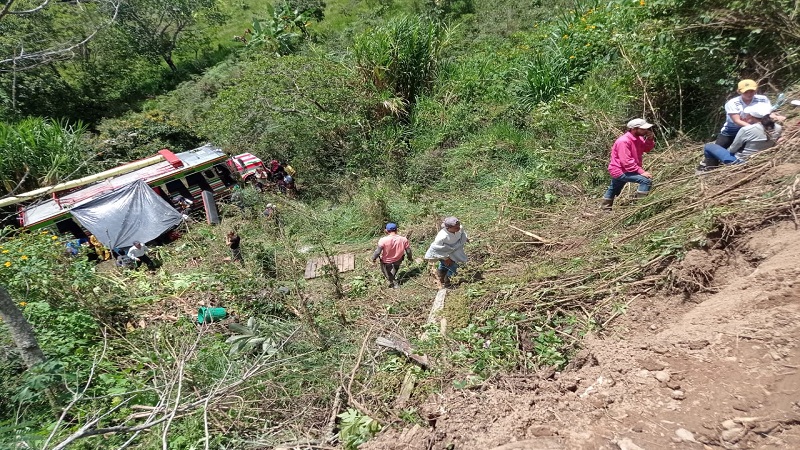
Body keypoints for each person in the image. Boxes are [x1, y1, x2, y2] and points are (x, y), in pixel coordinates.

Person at [700, 103, 783, 169]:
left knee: (709, 146)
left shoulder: (747, 129)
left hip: (740, 161)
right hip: (760, 159)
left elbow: (732, 150)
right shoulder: (778, 128)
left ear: (752, 115)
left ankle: (711, 169)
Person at [601, 118, 656, 210]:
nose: (646, 131)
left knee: (614, 187)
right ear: (634, 129)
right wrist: (641, 172)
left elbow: (646, 149)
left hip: (625, 169)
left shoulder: (638, 139)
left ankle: (605, 208)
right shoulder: (623, 141)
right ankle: (641, 207)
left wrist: (650, 139)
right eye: (643, 129)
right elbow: (626, 161)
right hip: (620, 170)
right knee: (646, 181)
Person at [714, 79, 772, 150]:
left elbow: (767, 113)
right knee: (716, 151)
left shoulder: (763, 99)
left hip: (755, 130)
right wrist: (755, 129)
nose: (749, 94)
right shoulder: (732, 103)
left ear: (756, 90)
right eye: (746, 92)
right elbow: (737, 121)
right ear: (739, 91)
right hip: (731, 131)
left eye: (751, 91)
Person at [424, 217, 469, 289]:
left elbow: (462, 234)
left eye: (458, 225)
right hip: (443, 252)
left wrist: (465, 239)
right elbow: (436, 249)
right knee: (453, 265)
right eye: (455, 227)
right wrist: (446, 258)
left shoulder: (459, 228)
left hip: (455, 249)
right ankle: (448, 282)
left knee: (444, 265)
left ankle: (440, 277)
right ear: (448, 228)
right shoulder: (442, 236)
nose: (458, 228)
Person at [371, 223, 412, 288]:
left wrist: (373, 258)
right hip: (399, 259)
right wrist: (410, 258)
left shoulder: (383, 240)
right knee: (395, 267)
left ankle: (394, 283)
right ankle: (392, 277)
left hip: (387, 261)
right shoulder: (403, 239)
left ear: (386, 231)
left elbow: (378, 252)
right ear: (397, 230)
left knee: (386, 272)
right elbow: (408, 251)